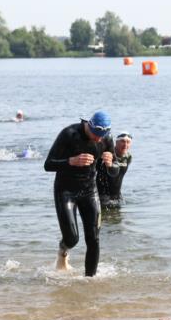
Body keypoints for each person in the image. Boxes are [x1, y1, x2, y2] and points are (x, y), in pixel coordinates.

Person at [44, 111, 118, 276]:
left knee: (93, 239)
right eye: (95, 135)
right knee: (72, 238)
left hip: (90, 191)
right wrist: (71, 161)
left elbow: (114, 171)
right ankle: (63, 252)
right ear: (88, 126)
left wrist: (111, 164)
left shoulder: (107, 138)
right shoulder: (69, 134)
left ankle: (89, 280)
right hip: (65, 191)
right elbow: (48, 165)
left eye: (102, 136)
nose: (98, 139)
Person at [97, 132, 133, 208]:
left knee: (118, 219)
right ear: (116, 142)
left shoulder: (128, 157)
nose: (125, 145)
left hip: (117, 196)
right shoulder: (107, 155)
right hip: (102, 196)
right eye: (122, 141)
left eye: (128, 142)